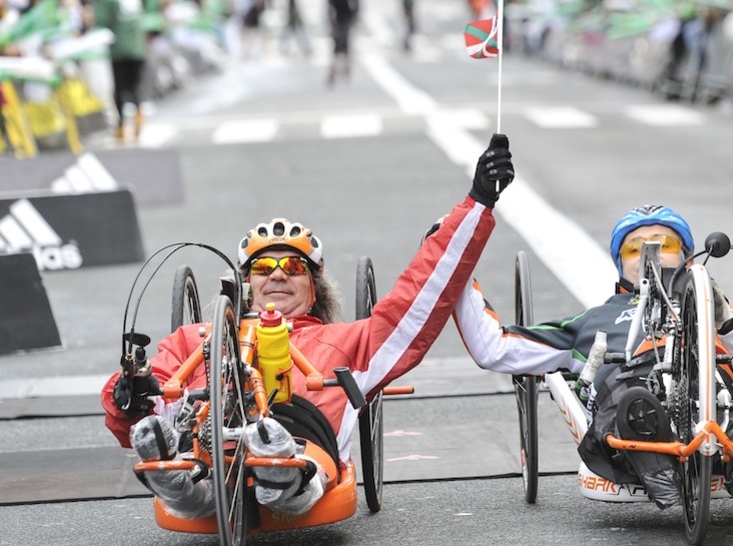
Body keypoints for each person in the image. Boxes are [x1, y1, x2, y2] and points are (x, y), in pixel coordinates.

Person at [101, 135, 515, 519]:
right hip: (206, 450)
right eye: (263, 267)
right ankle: (180, 485)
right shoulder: (193, 340)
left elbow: (417, 301)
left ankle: (282, 474)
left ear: (314, 289)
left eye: (293, 266)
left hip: (303, 443)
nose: (277, 275)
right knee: (169, 440)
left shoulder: (346, 341)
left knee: (288, 454)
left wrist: (477, 203)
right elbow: (144, 402)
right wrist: (127, 395)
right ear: (245, 286)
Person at [454, 204, 733, 508]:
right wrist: (454, 267)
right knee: (632, 397)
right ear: (620, 264)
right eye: (634, 247)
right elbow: (494, 348)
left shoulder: (715, 307)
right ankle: (655, 463)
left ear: (687, 257)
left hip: (712, 393)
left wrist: (725, 320)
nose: (651, 252)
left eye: (665, 244)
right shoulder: (593, 320)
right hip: (629, 396)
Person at [93, 0, 147, 141]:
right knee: (135, 86)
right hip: (138, 46)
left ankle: (122, 126)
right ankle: (139, 114)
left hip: (119, 48)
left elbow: (102, 21)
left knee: (120, 87)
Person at [326, 0, 359, 86]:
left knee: (344, 45)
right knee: (337, 46)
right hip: (338, 20)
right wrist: (331, 24)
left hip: (346, 19)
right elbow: (329, 9)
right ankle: (335, 70)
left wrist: (355, 15)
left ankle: (345, 68)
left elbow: (356, 2)